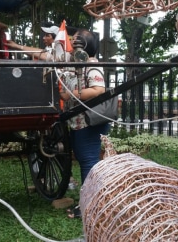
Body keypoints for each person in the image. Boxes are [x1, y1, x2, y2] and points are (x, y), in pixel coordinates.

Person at [58, 29, 109, 219]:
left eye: (75, 41)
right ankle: (91, 203)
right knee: (87, 161)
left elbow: (98, 89)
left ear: (83, 46)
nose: (71, 44)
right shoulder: (78, 64)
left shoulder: (91, 64)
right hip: (80, 122)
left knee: (89, 162)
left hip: (88, 122)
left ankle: (88, 208)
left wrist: (70, 95)